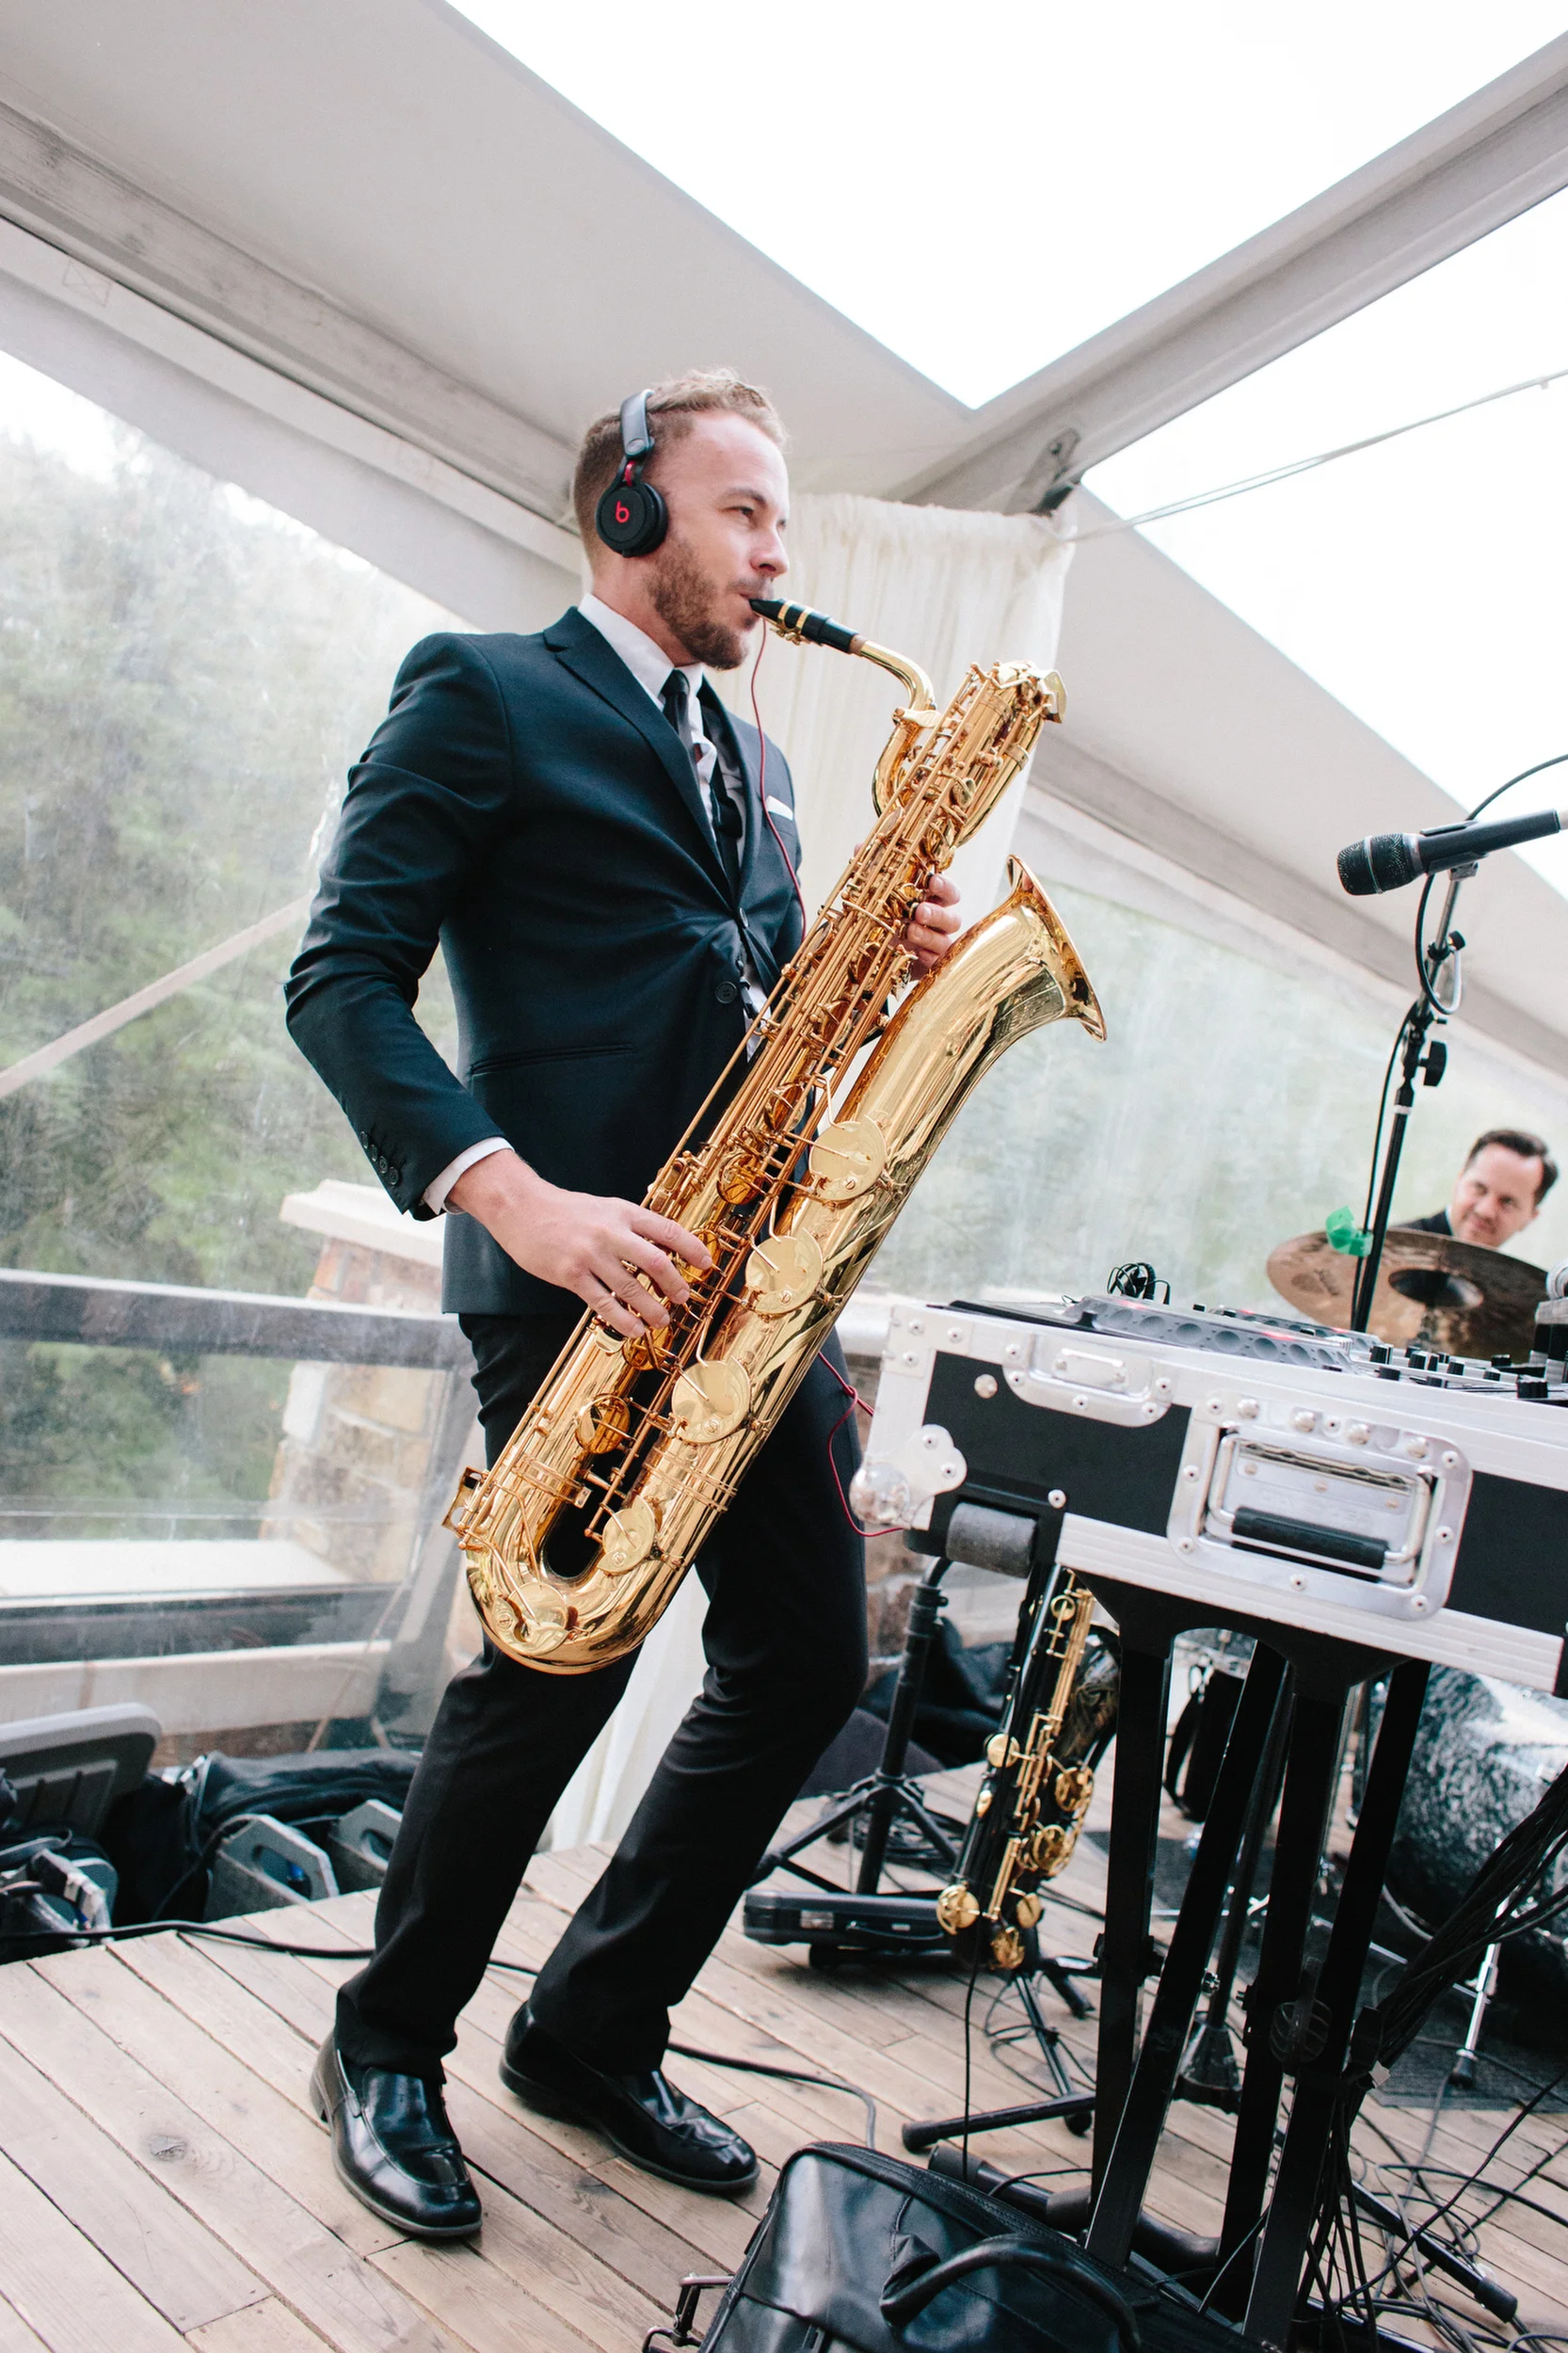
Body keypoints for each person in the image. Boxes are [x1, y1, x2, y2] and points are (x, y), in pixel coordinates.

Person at [283, 369, 962, 2238]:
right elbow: (340, 979)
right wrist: (516, 1197)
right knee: (556, 1663)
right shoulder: (481, 691)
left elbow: (752, 1018)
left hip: (745, 1288)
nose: (773, 557)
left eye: (780, 524)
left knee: (808, 1657)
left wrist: (879, 963)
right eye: (746, 513)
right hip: (579, 1275)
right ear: (631, 510)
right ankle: (387, 2035)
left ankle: (590, 2024)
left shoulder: (760, 762)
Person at [1399, 1128, 1558, 1252]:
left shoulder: (1513, 1288)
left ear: (1530, 1218)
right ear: (1459, 1180)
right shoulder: (1390, 1249)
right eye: (1479, 1188)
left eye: (1507, 1202)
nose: (1485, 1211)